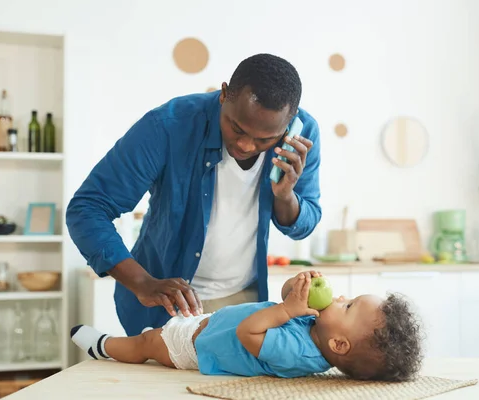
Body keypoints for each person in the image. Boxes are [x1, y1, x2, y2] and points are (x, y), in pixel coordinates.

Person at [66, 54, 322, 336]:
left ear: (290, 123)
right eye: (236, 128)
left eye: (265, 140)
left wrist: (284, 196)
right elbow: (88, 208)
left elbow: (303, 226)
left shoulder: (302, 135)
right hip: (166, 305)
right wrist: (142, 282)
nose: (246, 145)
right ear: (224, 94)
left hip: (245, 301)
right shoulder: (168, 126)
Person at [70, 271, 424, 381]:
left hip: (197, 347)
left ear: (340, 346)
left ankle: (104, 347)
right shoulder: (318, 325)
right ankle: (111, 344)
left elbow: (248, 333)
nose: (340, 297)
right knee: (151, 336)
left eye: (347, 306)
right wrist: (296, 289)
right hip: (208, 326)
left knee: (147, 343)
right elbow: (283, 298)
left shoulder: (299, 353)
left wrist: (287, 308)